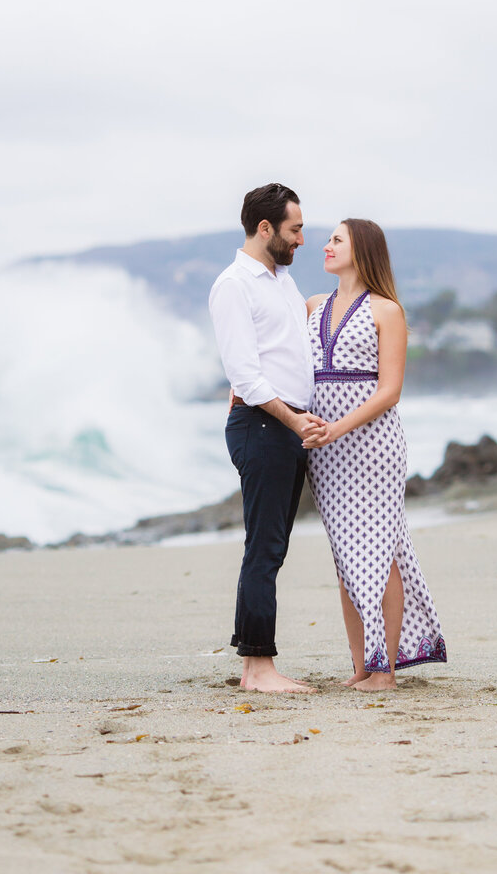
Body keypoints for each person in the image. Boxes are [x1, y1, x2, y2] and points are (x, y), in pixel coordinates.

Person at [303, 218, 446, 691]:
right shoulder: (312, 306)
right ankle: (362, 666)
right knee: (346, 559)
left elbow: (390, 391)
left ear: (361, 250)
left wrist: (335, 429)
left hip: (371, 447)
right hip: (325, 455)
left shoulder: (387, 311)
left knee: (380, 553)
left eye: (336, 240)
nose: (325, 246)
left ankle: (384, 673)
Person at [208, 183, 323, 693]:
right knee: (264, 547)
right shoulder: (234, 284)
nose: (301, 240)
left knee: (271, 547)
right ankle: (257, 668)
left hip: (285, 425)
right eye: (295, 229)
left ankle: (256, 663)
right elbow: (247, 374)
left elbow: (285, 342)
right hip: (262, 424)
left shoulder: (280, 282)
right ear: (265, 228)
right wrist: (294, 421)